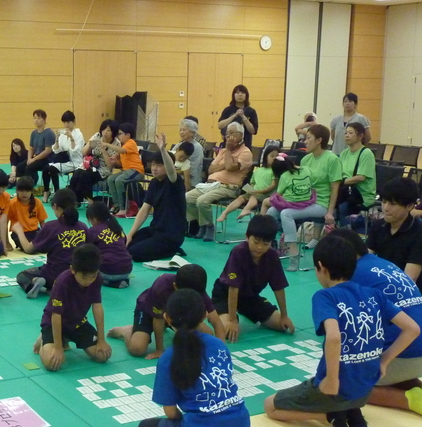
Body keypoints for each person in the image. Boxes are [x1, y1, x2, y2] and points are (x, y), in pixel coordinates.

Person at [264, 235, 419, 427]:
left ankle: (331, 416)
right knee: (348, 390)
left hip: (336, 389)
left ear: (321, 267)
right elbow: (412, 328)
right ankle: (352, 414)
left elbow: (334, 336)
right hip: (365, 388)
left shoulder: (325, 297)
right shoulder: (374, 294)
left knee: (270, 407)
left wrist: (332, 379)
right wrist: (383, 361)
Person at [137, 289, 249, 427]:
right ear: (204, 316)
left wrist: (187, 423)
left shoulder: (168, 358)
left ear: (167, 318)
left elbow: (170, 412)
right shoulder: (219, 344)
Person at [329, 228, 422, 416]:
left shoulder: (352, 276)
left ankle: (408, 400)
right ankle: (415, 388)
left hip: (405, 354)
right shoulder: (384, 264)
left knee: (338, 385)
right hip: (415, 354)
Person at [108, 264, 226, 360]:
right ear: (175, 286)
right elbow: (158, 319)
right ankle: (126, 331)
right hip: (149, 312)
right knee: (137, 349)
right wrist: (160, 349)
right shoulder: (162, 286)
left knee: (207, 336)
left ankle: (173, 327)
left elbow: (216, 321)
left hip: (177, 314)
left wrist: (221, 350)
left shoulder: (197, 289)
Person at [212, 215, 295, 343]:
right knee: (227, 331)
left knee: (282, 326)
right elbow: (233, 288)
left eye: (265, 243)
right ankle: (215, 313)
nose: (260, 247)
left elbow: (279, 287)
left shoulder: (272, 256)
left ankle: (247, 313)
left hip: (249, 297)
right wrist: (233, 320)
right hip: (224, 295)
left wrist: (284, 315)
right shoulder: (238, 252)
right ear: (247, 236)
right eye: (256, 242)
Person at [35, 244, 111, 371]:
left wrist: (102, 339)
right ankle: (44, 339)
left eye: (92, 276)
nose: (88, 281)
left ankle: (66, 338)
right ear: (73, 270)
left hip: (77, 323)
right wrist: (58, 348)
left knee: (102, 356)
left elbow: (97, 307)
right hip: (54, 323)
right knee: (52, 364)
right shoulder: (63, 282)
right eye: (84, 277)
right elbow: (56, 315)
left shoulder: (96, 279)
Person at [12, 188, 87, 298]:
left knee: (22, 275)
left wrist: (19, 231)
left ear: (55, 206)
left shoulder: (51, 226)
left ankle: (40, 282)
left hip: (54, 274)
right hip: (77, 276)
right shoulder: (83, 227)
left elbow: (28, 249)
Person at [186, 122, 253, 242]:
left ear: (241, 135)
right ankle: (202, 225)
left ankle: (210, 227)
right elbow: (211, 169)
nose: (228, 136)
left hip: (228, 187)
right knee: (188, 197)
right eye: (227, 133)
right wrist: (225, 164)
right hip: (211, 184)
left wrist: (228, 150)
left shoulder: (245, 153)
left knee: (202, 201)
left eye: (231, 133)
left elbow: (231, 168)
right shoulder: (222, 152)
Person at [126, 134, 186, 262]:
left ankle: (172, 249)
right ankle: (164, 249)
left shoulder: (175, 182)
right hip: (155, 230)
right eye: (153, 165)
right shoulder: (154, 183)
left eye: (159, 165)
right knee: (125, 244)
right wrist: (130, 234)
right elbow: (144, 209)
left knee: (135, 253)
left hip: (171, 235)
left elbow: (171, 172)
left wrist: (163, 150)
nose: (154, 168)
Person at [366, 177, 422, 292]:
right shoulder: (378, 226)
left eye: (392, 204)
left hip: (409, 294)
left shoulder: (419, 233)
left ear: (410, 206)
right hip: (382, 286)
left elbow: (409, 280)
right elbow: (364, 260)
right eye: (384, 202)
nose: (385, 208)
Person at [262, 154, 315, 271]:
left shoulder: (285, 177)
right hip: (306, 200)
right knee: (271, 212)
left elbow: (279, 194)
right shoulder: (306, 169)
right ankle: (269, 243)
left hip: (292, 204)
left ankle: (293, 252)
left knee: (272, 206)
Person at [298, 124, 342, 250]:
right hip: (305, 200)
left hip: (321, 202)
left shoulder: (332, 159)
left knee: (286, 213)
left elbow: (335, 188)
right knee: (273, 208)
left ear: (319, 140)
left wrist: (329, 212)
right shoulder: (305, 160)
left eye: (308, 138)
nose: (305, 142)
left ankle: (290, 248)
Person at [216, 144, 279, 222]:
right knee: (241, 198)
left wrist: (258, 191)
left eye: (276, 156)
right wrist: (251, 189)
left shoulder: (275, 171)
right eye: (272, 156)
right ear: (266, 157)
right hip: (255, 192)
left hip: (267, 195)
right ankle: (224, 213)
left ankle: (246, 209)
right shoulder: (258, 170)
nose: (274, 158)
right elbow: (253, 182)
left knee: (254, 197)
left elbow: (273, 185)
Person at [69, 119, 121, 205]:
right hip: (90, 164)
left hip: (103, 169)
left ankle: (89, 201)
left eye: (108, 130)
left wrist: (103, 150)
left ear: (114, 132)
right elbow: (83, 153)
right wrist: (89, 146)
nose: (105, 132)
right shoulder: (97, 136)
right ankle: (74, 199)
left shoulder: (116, 144)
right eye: (103, 129)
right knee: (77, 174)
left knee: (85, 175)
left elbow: (110, 166)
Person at [337, 122, 376, 227]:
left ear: (360, 136)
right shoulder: (344, 153)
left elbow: (361, 177)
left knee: (341, 207)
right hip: (346, 191)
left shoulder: (366, 153)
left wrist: (341, 183)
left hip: (361, 195)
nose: (347, 135)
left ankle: (346, 235)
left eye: (350, 133)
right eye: (345, 133)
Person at [41, 110, 85, 202]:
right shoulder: (63, 134)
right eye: (64, 122)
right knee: (46, 168)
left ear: (74, 122)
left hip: (76, 162)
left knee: (52, 169)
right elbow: (57, 150)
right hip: (64, 160)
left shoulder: (79, 135)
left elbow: (76, 152)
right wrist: (56, 140)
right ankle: (46, 191)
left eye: (68, 122)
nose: (66, 125)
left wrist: (72, 138)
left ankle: (57, 194)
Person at [86, 202, 132, 288]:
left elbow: (86, 251)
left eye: (90, 220)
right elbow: (124, 243)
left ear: (95, 219)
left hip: (107, 272)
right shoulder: (117, 228)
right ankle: (120, 280)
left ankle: (108, 281)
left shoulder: (93, 230)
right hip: (127, 270)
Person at [104, 122, 145, 217]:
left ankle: (123, 208)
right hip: (127, 171)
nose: (118, 136)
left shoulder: (131, 143)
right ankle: (117, 205)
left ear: (128, 135)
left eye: (120, 133)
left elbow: (121, 150)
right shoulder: (124, 145)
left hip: (136, 171)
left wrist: (107, 145)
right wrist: (115, 160)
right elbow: (122, 162)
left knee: (119, 180)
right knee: (111, 179)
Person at [16, 110, 56, 186]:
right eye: (34, 118)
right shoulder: (34, 133)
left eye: (39, 118)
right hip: (36, 157)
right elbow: (31, 148)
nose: (36, 120)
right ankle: (20, 187)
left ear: (44, 120)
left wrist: (33, 159)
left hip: (47, 159)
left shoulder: (49, 133)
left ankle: (28, 188)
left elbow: (47, 151)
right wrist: (29, 159)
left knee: (29, 168)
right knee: (20, 167)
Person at [7, 176, 48, 251]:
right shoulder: (12, 203)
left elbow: (42, 222)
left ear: (32, 191)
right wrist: (6, 242)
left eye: (27, 191)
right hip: (19, 234)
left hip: (34, 231)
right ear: (17, 191)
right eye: (22, 191)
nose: (24, 194)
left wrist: (45, 236)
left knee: (45, 248)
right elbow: (5, 222)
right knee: (31, 249)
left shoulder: (37, 202)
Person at [171, 119, 203, 188]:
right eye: (180, 130)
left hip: (190, 182)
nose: (181, 132)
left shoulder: (197, 147)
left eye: (184, 130)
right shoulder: (178, 145)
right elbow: (170, 160)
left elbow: (191, 170)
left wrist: (171, 171)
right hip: (176, 178)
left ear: (192, 132)